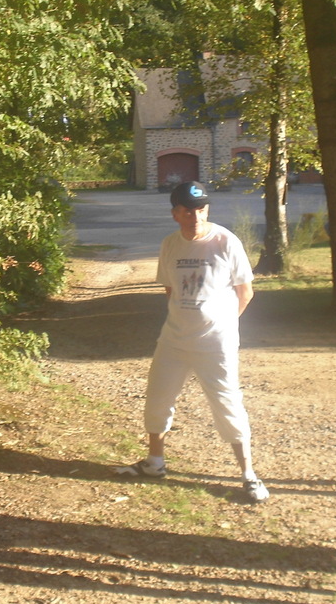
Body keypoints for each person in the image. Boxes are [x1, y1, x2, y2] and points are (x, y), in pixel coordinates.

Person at [115, 181, 269, 502]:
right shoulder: (170, 245)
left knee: (228, 404)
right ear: (175, 214)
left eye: (200, 210)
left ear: (207, 210)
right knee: (157, 400)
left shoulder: (226, 241)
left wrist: (223, 324)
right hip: (174, 340)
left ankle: (249, 475)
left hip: (216, 344)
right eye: (187, 211)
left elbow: (246, 292)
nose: (195, 217)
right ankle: (155, 462)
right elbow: (170, 289)